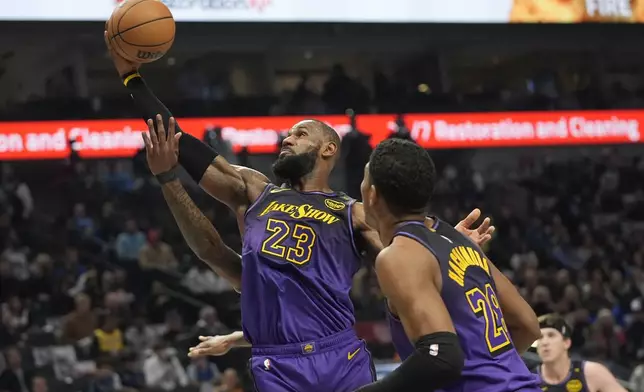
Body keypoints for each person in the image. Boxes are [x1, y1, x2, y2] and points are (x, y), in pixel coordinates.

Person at [109, 35, 494, 392]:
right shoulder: (254, 191)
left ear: (328, 149)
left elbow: (409, 258)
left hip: (340, 354)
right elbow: (183, 144)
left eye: (300, 133)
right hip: (278, 363)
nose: (287, 138)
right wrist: (132, 79)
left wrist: (447, 245)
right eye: (287, 134)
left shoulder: (353, 212)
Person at [353, 138, 542, 391]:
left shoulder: (397, 255)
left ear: (372, 195)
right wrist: (492, 372)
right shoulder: (457, 243)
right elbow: (527, 324)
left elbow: (441, 357)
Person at [535, 314, 627, 392]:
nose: (544, 342)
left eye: (551, 335)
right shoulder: (529, 379)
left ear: (566, 343)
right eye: (540, 337)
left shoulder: (591, 372)